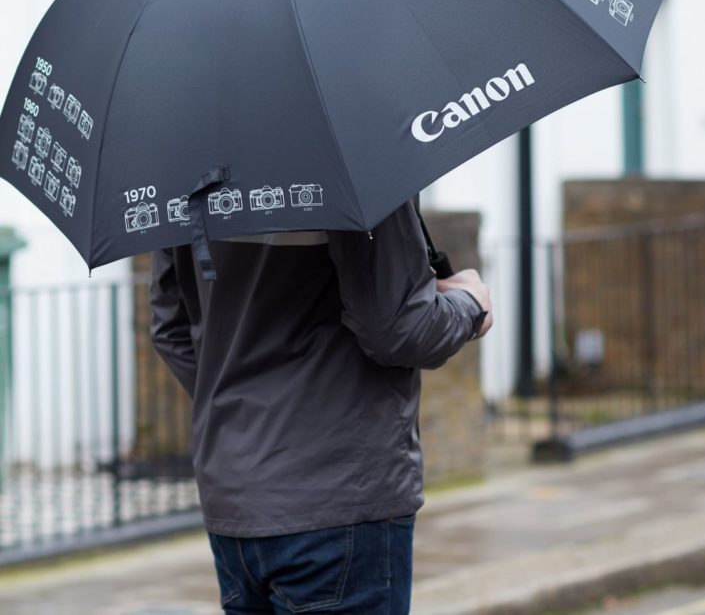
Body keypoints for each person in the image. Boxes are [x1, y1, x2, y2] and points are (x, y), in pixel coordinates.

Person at [149, 199, 492, 614]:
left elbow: (170, 328)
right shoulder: (357, 155)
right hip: (339, 494)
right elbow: (398, 329)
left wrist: (242, 411)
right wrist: (471, 305)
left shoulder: (186, 161)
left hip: (235, 497)